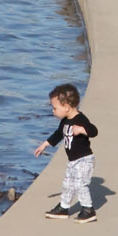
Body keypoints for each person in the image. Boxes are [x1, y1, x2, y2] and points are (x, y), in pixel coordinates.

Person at [34, 83, 98, 224]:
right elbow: (58, 135)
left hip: (84, 159)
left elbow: (94, 131)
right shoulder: (64, 121)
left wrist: (81, 130)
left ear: (66, 107)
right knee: (68, 184)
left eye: (55, 108)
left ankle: (88, 210)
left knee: (81, 184)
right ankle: (63, 207)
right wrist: (45, 144)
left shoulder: (80, 120)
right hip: (73, 160)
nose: (53, 111)